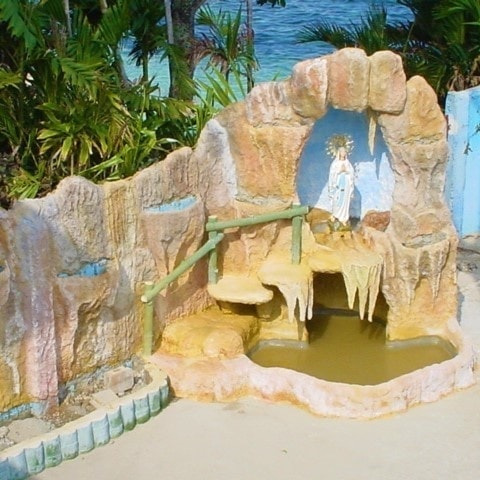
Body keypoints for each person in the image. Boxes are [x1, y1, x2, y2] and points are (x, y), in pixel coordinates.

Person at [328, 146, 355, 225]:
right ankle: (335, 214)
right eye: (342, 151)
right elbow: (332, 175)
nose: (343, 153)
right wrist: (340, 171)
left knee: (345, 200)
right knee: (337, 200)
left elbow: (352, 173)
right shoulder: (335, 163)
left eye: (345, 151)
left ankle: (344, 218)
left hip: (346, 184)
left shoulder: (347, 163)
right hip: (338, 184)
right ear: (339, 153)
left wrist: (346, 170)